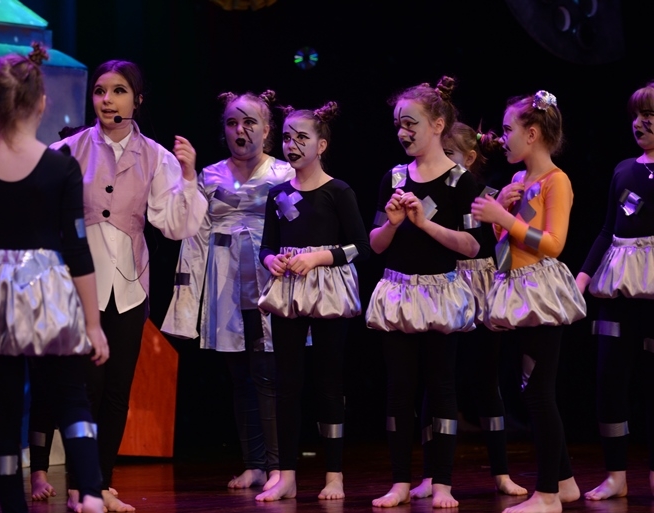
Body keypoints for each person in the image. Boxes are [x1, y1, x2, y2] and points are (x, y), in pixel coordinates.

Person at [0, 45, 108, 513]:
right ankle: (91, 494)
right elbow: (76, 248)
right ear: (41, 102)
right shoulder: (61, 166)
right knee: (71, 394)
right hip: (46, 289)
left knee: (3, 410)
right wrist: (93, 324)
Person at [49, 59, 208, 512]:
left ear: (137, 99)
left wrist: (189, 176)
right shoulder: (68, 150)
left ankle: (100, 483)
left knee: (118, 389)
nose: (106, 100)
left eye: (118, 91)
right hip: (81, 283)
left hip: (130, 285)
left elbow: (175, 225)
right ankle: (81, 484)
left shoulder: (156, 156)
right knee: (87, 388)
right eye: (100, 91)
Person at [162, 90, 292, 490]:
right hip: (226, 285)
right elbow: (195, 238)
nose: (240, 130)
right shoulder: (211, 175)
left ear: (267, 129)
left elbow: (299, 228)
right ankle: (254, 463)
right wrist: (187, 303)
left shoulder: (283, 174)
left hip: (270, 281)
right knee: (240, 377)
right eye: (232, 122)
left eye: (250, 122)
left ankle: (278, 465)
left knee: (268, 375)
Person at [367, 77, 481, 509]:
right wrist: (392, 223)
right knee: (399, 387)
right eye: (399, 124)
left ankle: (443, 482)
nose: (403, 131)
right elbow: (376, 245)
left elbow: (472, 246)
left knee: (441, 385)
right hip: (398, 292)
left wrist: (426, 224)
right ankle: (400, 481)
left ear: (437, 125)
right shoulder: (394, 177)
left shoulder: (459, 182)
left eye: (411, 123)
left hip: (440, 294)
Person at [471, 90, 585, 513]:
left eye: (508, 130)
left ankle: (548, 495)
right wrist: (500, 221)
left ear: (532, 134)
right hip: (517, 290)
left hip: (541, 293)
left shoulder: (556, 181)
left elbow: (553, 244)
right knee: (530, 389)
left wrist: (504, 218)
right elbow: (508, 250)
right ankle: (566, 483)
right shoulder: (519, 181)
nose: (502, 139)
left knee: (539, 393)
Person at [254, 101, 370, 502]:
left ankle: (334, 474)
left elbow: (361, 248)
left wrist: (320, 257)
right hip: (289, 289)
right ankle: (286, 474)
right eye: (287, 137)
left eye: (302, 137)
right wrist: (271, 260)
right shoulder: (278, 194)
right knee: (287, 382)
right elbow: (266, 245)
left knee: (328, 381)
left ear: (321, 145)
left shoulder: (338, 191)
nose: (292, 144)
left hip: (327, 290)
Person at [410, 122, 527, 500]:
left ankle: (501, 472)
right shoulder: (433, 189)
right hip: (444, 285)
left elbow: (500, 244)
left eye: (450, 155)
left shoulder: (490, 195)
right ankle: (430, 474)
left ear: (470, 158)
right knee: (437, 380)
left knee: (487, 380)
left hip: (482, 287)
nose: (442, 161)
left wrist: (501, 210)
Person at [576, 84, 654, 501]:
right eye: (636, 115)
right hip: (616, 289)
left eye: (649, 115)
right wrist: (581, 280)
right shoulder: (624, 168)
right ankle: (616, 476)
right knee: (609, 380)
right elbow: (608, 228)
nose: (639, 123)